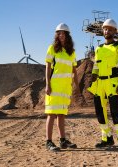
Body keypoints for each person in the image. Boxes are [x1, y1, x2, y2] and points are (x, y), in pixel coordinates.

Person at [88, 19, 118, 151]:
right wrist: (93, 79)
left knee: (116, 113)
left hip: (113, 83)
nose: (107, 31)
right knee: (100, 113)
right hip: (100, 84)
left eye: (110, 29)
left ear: (115, 31)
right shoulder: (99, 49)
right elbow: (96, 66)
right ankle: (107, 138)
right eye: (105, 29)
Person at [45, 23, 79, 152]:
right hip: (54, 87)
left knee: (61, 115)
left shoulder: (72, 52)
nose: (61, 35)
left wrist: (77, 87)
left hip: (65, 89)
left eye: (64, 33)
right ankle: (48, 142)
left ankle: (62, 140)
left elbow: (74, 70)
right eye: (59, 33)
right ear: (56, 35)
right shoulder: (52, 49)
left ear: (68, 35)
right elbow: (48, 68)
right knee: (51, 114)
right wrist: (47, 85)